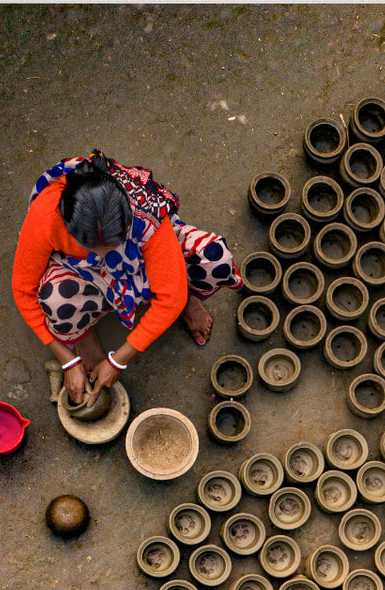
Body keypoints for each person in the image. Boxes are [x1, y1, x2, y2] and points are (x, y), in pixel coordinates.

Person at [12, 151, 243, 406]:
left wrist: (118, 359)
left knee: (214, 260)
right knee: (55, 300)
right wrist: (67, 359)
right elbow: (23, 291)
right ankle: (83, 337)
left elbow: (170, 295)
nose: (103, 255)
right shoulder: (47, 215)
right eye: (92, 247)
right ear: (68, 225)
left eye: (112, 245)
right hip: (85, 272)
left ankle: (183, 296)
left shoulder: (145, 211)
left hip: (140, 259)